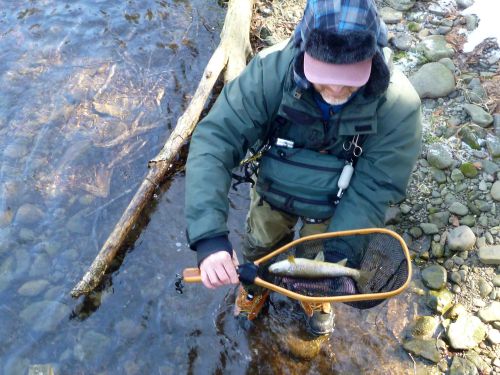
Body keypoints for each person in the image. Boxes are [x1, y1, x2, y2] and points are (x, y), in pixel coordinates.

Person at [184, 0, 422, 335]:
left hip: (338, 205)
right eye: (325, 75)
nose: (336, 89)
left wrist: (341, 259)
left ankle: (315, 293)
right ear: (303, 47)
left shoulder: (399, 106)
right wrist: (209, 238)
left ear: (373, 56)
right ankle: (256, 287)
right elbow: (215, 141)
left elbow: (374, 188)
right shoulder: (270, 72)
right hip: (272, 189)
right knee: (261, 245)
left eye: (349, 76)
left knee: (322, 257)